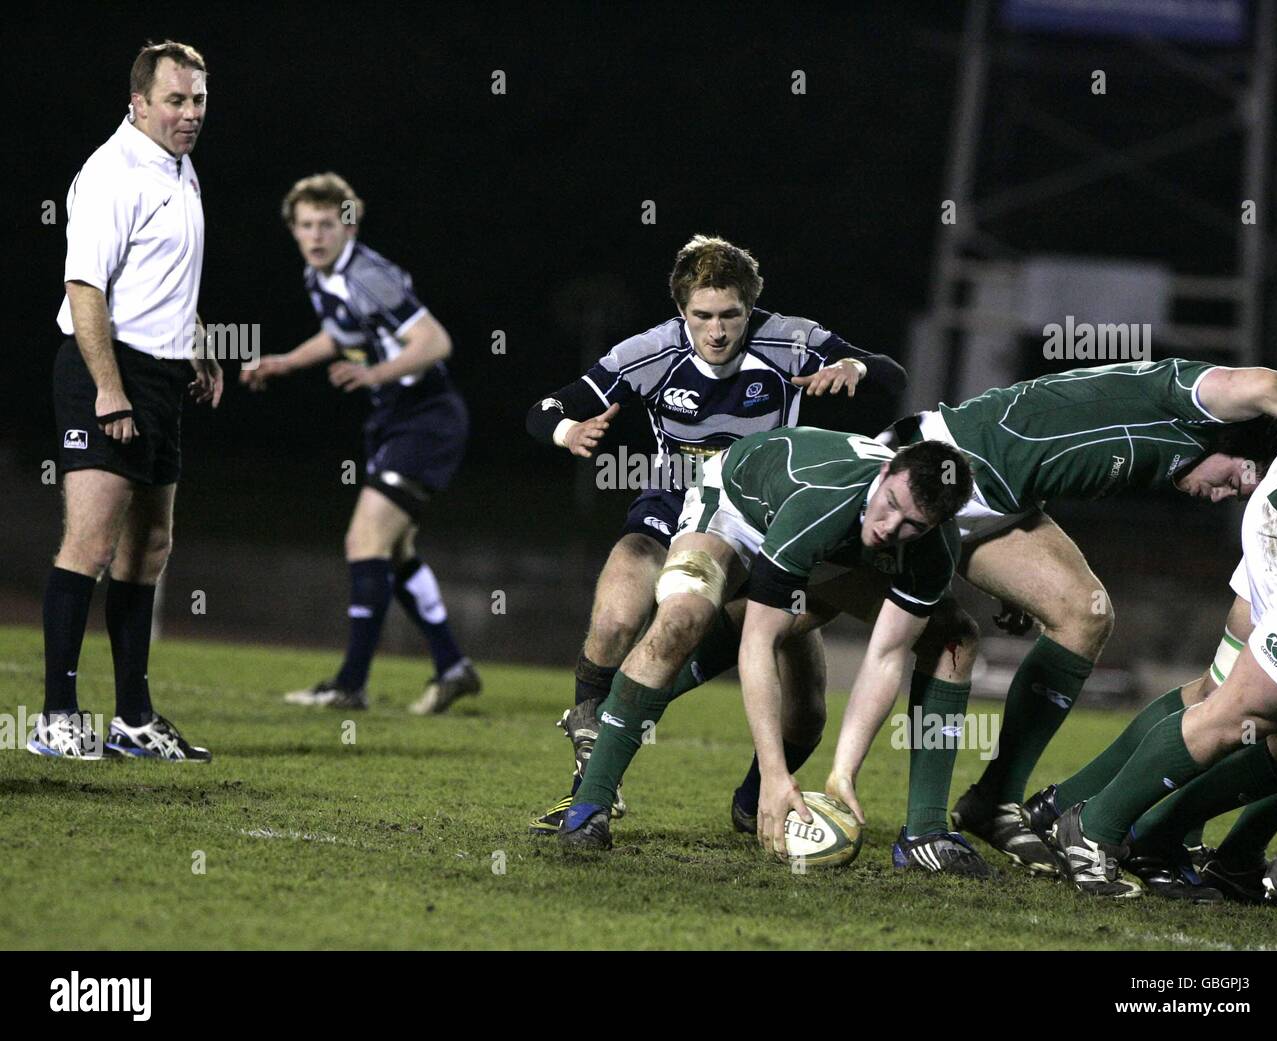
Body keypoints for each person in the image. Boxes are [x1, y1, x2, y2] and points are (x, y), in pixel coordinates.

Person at [524, 234, 908, 833]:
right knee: (624, 618)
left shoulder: (788, 340)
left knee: (805, 713)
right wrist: (566, 433)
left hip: (773, 520)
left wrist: (851, 366)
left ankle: (753, 799)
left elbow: (889, 373)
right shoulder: (649, 352)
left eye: (731, 315)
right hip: (678, 506)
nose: (718, 331)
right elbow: (546, 408)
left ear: (750, 309)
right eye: (702, 316)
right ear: (682, 311)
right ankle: (590, 758)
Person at [875, 360, 1277, 874]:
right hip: (932, 471)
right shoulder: (1192, 399)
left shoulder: (1176, 449)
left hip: (995, 504)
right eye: (1234, 478)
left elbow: (1061, 444)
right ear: (1229, 439)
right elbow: (1269, 384)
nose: (1225, 494)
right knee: (930, 636)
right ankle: (916, 826)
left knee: (1084, 615)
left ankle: (996, 803)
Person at [557, 426, 987, 877]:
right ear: (885, 472)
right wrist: (775, 773)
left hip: (821, 542)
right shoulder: (822, 500)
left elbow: (885, 656)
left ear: (936, 526)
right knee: (680, 621)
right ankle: (590, 805)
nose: (889, 527)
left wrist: (843, 773)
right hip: (735, 503)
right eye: (891, 504)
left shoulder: (933, 553)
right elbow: (758, 642)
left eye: (912, 525)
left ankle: (902, 831)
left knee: (821, 710)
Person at [30, 40, 219, 761]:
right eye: (176, 99)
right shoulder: (112, 171)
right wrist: (109, 388)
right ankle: (54, 716)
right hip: (104, 371)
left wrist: (194, 341)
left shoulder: (177, 163)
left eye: (198, 99)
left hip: (162, 375)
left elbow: (163, 274)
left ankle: (134, 719)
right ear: (139, 101)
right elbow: (87, 290)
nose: (190, 113)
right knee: (94, 542)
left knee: (151, 547)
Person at [240, 173, 477, 713]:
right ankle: (452, 666)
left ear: (348, 226)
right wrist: (284, 362)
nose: (316, 235)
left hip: (426, 417)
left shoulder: (368, 275)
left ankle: (351, 685)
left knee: (364, 541)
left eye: (327, 224)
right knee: (394, 551)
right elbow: (342, 336)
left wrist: (374, 376)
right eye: (306, 225)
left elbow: (435, 341)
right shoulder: (321, 274)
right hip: (397, 418)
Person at [1037, 429, 1277, 899]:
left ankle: (1195, 846)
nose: (1212, 491)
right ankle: (1096, 827)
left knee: (1275, 729)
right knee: (1240, 710)